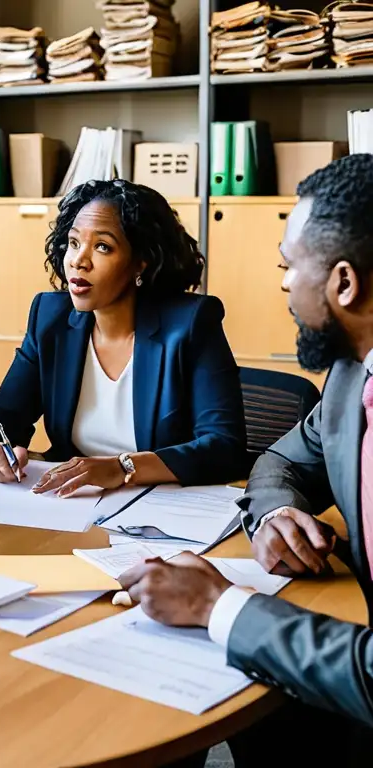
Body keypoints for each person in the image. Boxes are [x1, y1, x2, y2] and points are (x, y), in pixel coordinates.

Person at [118, 154, 373, 764]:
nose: (282, 283)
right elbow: (280, 462)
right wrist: (279, 512)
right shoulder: (350, 374)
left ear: (343, 282)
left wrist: (217, 604)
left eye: (289, 267)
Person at [0, 179, 248, 493]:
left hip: (160, 509)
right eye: (74, 243)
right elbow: (3, 416)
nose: (79, 260)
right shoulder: (50, 318)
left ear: (140, 262)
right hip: (72, 505)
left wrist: (123, 467)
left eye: (102, 246)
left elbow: (224, 447)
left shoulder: (190, 324)